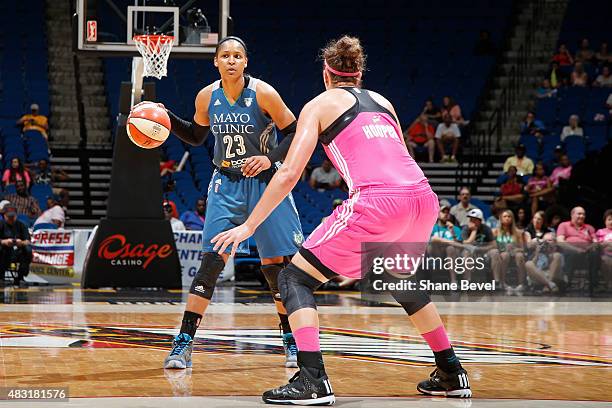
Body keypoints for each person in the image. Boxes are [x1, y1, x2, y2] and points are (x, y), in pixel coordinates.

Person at [212, 36, 472, 403]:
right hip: (422, 198)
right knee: (400, 281)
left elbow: (287, 174)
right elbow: (397, 155)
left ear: (326, 74)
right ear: (359, 73)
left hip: (377, 200)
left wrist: (248, 225)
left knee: (293, 277)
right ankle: (451, 370)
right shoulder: (384, 102)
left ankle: (312, 379)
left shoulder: (319, 104)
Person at [149, 36, 303, 370]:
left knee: (276, 267)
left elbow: (294, 131)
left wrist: (269, 159)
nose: (231, 60)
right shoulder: (207, 96)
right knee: (211, 262)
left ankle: (291, 340)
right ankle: (184, 343)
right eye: (225, 56)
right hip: (226, 185)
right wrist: (166, 117)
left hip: (264, 184)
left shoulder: (264, 93)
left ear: (246, 62)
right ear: (216, 61)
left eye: (237, 56)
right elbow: (196, 136)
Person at [491, 209, 527, 293]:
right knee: (505, 255)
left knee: (520, 255)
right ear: (501, 219)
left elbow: (523, 248)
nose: (507, 218)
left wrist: (515, 249)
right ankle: (502, 282)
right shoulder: (495, 231)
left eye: (509, 216)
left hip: (515, 253)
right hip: (502, 253)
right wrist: (503, 249)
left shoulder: (518, 232)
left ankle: (521, 284)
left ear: (512, 219)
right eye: (505, 216)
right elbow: (493, 246)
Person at [459, 208, 496, 283]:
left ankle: (497, 281)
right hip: (469, 252)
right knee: (466, 253)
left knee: (495, 252)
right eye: (470, 219)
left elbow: (494, 245)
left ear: (480, 220)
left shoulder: (486, 229)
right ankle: (467, 281)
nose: (471, 221)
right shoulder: (466, 228)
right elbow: (465, 243)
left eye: (474, 219)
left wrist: (482, 249)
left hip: (484, 252)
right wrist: (474, 231)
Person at [430, 202, 463, 285]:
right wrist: (449, 242)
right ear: (437, 215)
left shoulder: (455, 229)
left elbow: (459, 246)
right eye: (443, 212)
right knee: (431, 245)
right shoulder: (432, 228)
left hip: (451, 254)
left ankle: (453, 281)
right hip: (436, 252)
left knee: (450, 248)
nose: (445, 214)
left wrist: (452, 232)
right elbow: (432, 239)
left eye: (447, 213)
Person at [0, 203, 33, 286]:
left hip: (17, 251)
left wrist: (21, 242)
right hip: (4, 251)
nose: (11, 219)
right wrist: (4, 242)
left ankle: (20, 277)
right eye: (9, 217)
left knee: (28, 250)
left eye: (13, 216)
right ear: (4, 215)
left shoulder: (21, 225)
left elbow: (28, 241)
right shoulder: (1, 224)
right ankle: (1, 276)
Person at [595, 209, 612, 291]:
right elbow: (597, 245)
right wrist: (606, 244)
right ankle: (609, 283)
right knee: (605, 260)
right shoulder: (600, 232)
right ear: (605, 221)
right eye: (609, 219)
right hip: (605, 255)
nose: (611, 222)